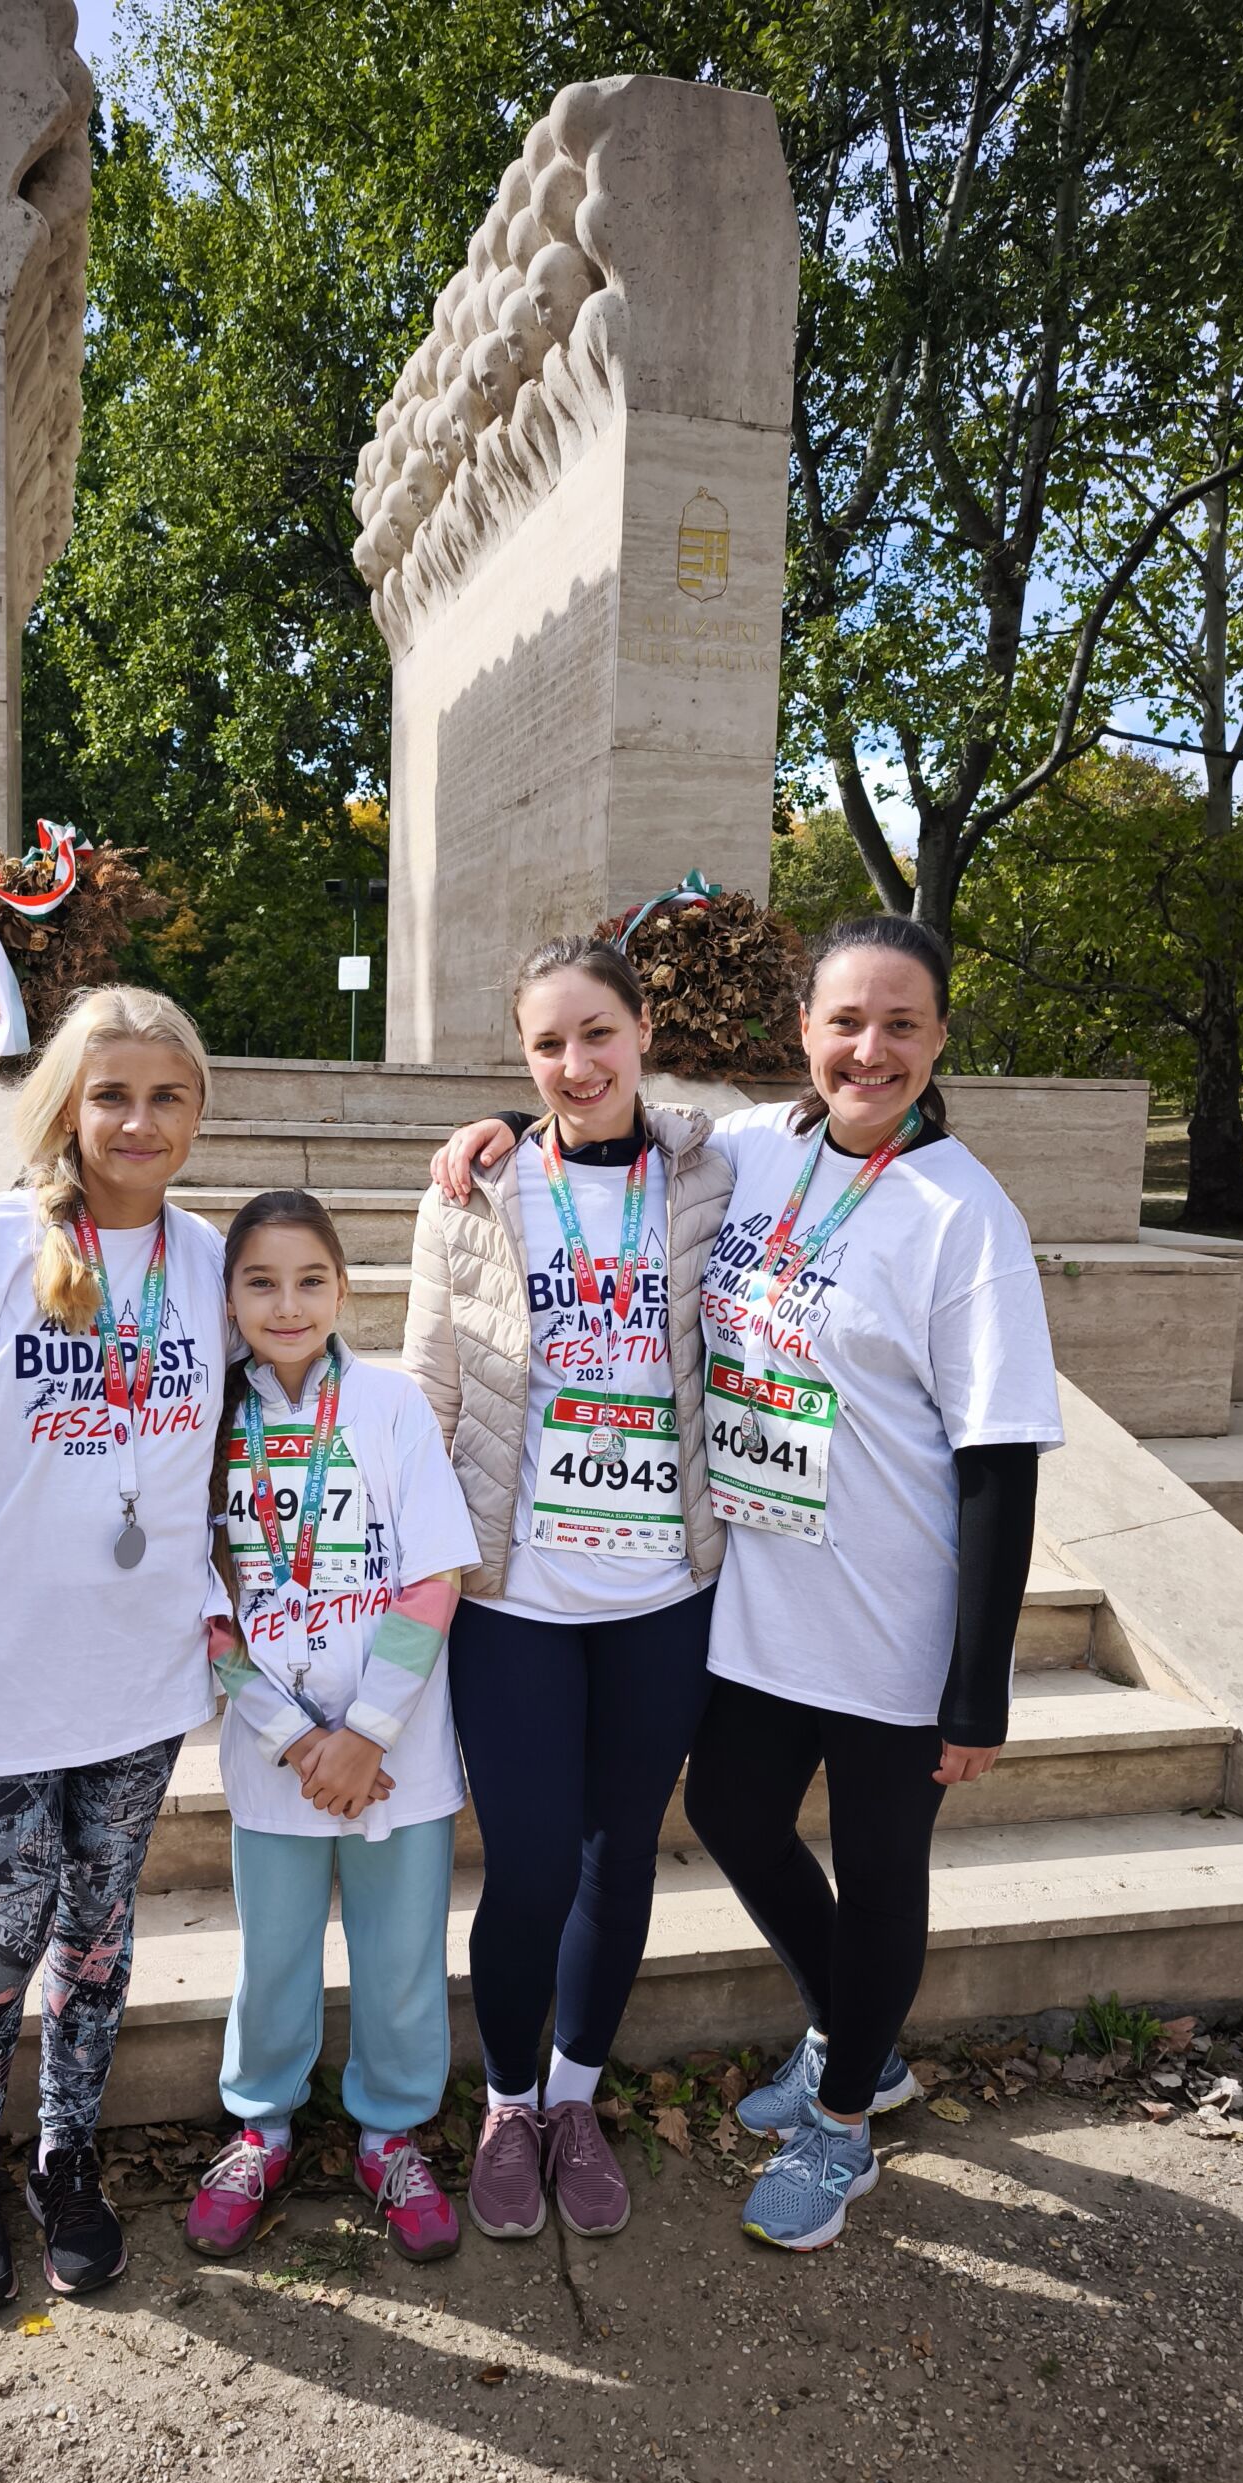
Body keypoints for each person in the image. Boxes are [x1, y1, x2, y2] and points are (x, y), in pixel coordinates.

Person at [432, 913, 1061, 2252]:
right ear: (804, 1033)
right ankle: (857, 2040)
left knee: (881, 1872)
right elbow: (598, 1110)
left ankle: (844, 2121)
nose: (870, 1050)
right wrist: (506, 1124)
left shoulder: (968, 1216)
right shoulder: (755, 1148)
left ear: (941, 1038)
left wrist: (980, 1685)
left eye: (901, 1025)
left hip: (896, 1613)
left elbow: (1001, 1461)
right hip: (761, 1600)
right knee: (727, 1810)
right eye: (846, 1022)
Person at [0, 987, 225, 2312]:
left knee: (98, 1944)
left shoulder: (211, 1262)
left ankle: (67, 2161)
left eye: (167, 1096)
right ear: (66, 1107)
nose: (138, 1121)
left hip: (139, 1683)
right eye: (110, 1094)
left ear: (198, 1113)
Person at [403, 936, 731, 2243]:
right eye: (548, 1044)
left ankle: (576, 2099)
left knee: (620, 1859)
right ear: (522, 1056)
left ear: (644, 1030)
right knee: (531, 1867)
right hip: (516, 1598)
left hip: (663, 1595)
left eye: (599, 1033)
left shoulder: (712, 1168)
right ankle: (506, 2103)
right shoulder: (471, 1193)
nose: (577, 1063)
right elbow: (429, 1390)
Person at [184, 1192, 480, 2265]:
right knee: (273, 1956)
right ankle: (260, 2127)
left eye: (310, 1279)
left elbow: (434, 1577)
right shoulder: (207, 1424)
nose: (287, 1304)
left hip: (398, 1758)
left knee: (401, 1959)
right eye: (260, 1282)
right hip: (278, 1763)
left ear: (344, 1287)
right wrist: (302, 1741)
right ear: (227, 1299)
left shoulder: (390, 1405)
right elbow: (209, 1612)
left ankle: (390, 2135)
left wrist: (366, 1733)